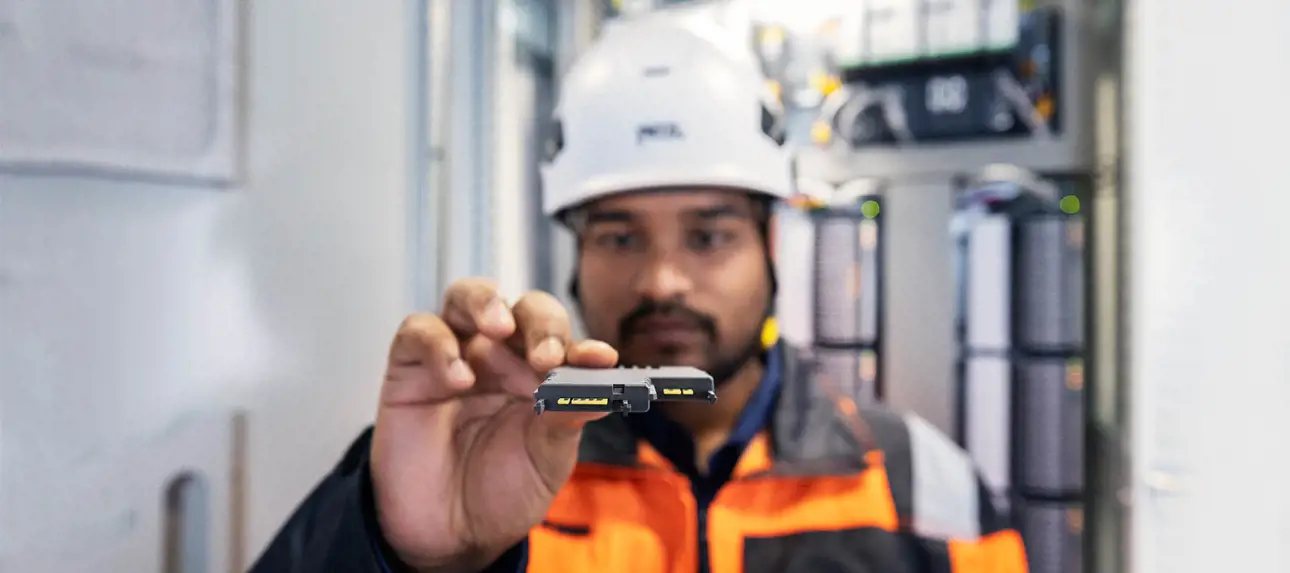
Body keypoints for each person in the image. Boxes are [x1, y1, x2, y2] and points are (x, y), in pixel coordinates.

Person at [249, 19, 1028, 573]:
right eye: (619, 237)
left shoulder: (924, 489)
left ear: (773, 244)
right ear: (576, 257)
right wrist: (405, 553)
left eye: (708, 234)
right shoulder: (496, 473)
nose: (661, 280)